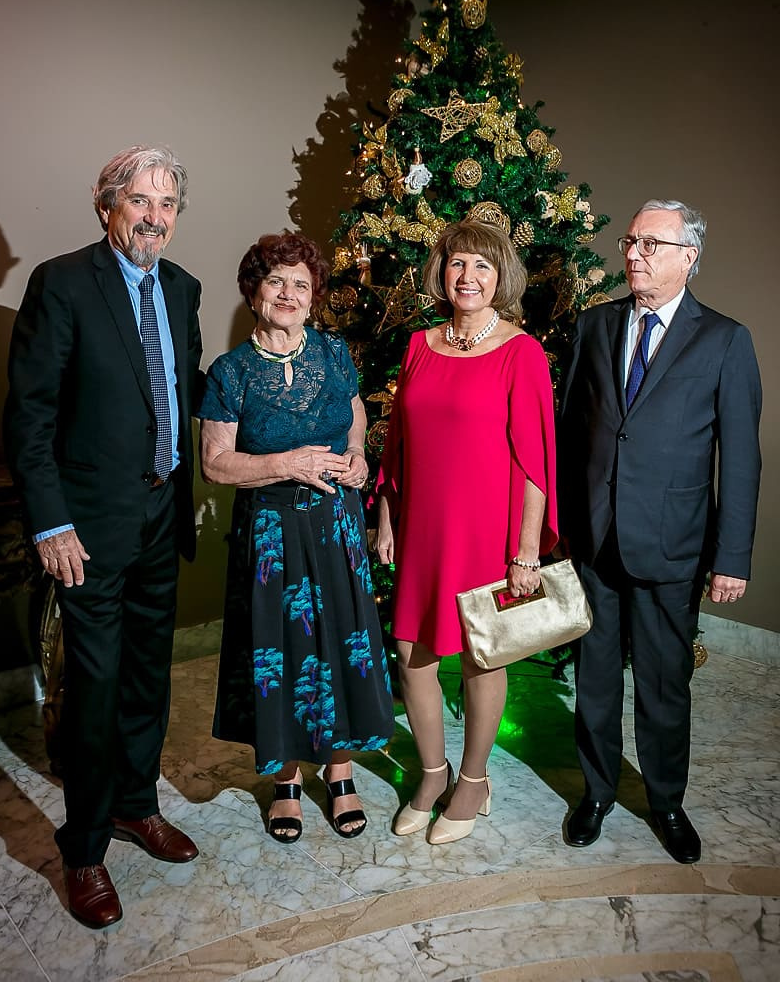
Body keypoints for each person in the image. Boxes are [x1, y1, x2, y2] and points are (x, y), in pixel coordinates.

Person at [4, 146, 202, 928]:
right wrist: (51, 521)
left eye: (167, 204)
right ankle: (84, 848)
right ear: (107, 205)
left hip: (162, 514)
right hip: (86, 528)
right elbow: (30, 414)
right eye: (140, 201)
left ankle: (135, 804)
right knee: (93, 687)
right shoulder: (62, 283)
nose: (154, 217)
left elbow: (181, 390)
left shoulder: (181, 288)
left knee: (149, 675)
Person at [558, 199, 762, 863]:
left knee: (664, 685)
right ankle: (596, 793)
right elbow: (571, 435)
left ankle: (667, 802)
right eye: (631, 241)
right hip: (595, 539)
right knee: (593, 681)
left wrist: (732, 556)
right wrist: (561, 525)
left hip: (673, 545)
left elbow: (741, 457)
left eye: (651, 243)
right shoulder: (594, 325)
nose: (634, 253)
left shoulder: (724, 340)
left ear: (688, 258)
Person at [198, 232, 394, 843]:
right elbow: (216, 464)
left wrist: (358, 455)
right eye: (276, 281)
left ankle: (340, 773)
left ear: (314, 296)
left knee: (343, 643)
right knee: (277, 651)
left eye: (301, 284)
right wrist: (288, 463)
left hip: (337, 526)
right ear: (253, 292)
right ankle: (285, 780)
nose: (288, 293)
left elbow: (355, 412)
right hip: (271, 535)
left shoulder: (334, 353)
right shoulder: (230, 372)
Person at [375, 219, 558, 845]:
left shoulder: (520, 351)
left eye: (482, 265)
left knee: (482, 658)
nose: (468, 276)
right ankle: (433, 774)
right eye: (457, 263)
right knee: (411, 654)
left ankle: (475, 780)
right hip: (424, 526)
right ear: (442, 272)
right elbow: (397, 446)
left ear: (501, 276)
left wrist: (526, 553)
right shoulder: (420, 345)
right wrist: (387, 517)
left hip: (487, 532)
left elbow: (535, 463)